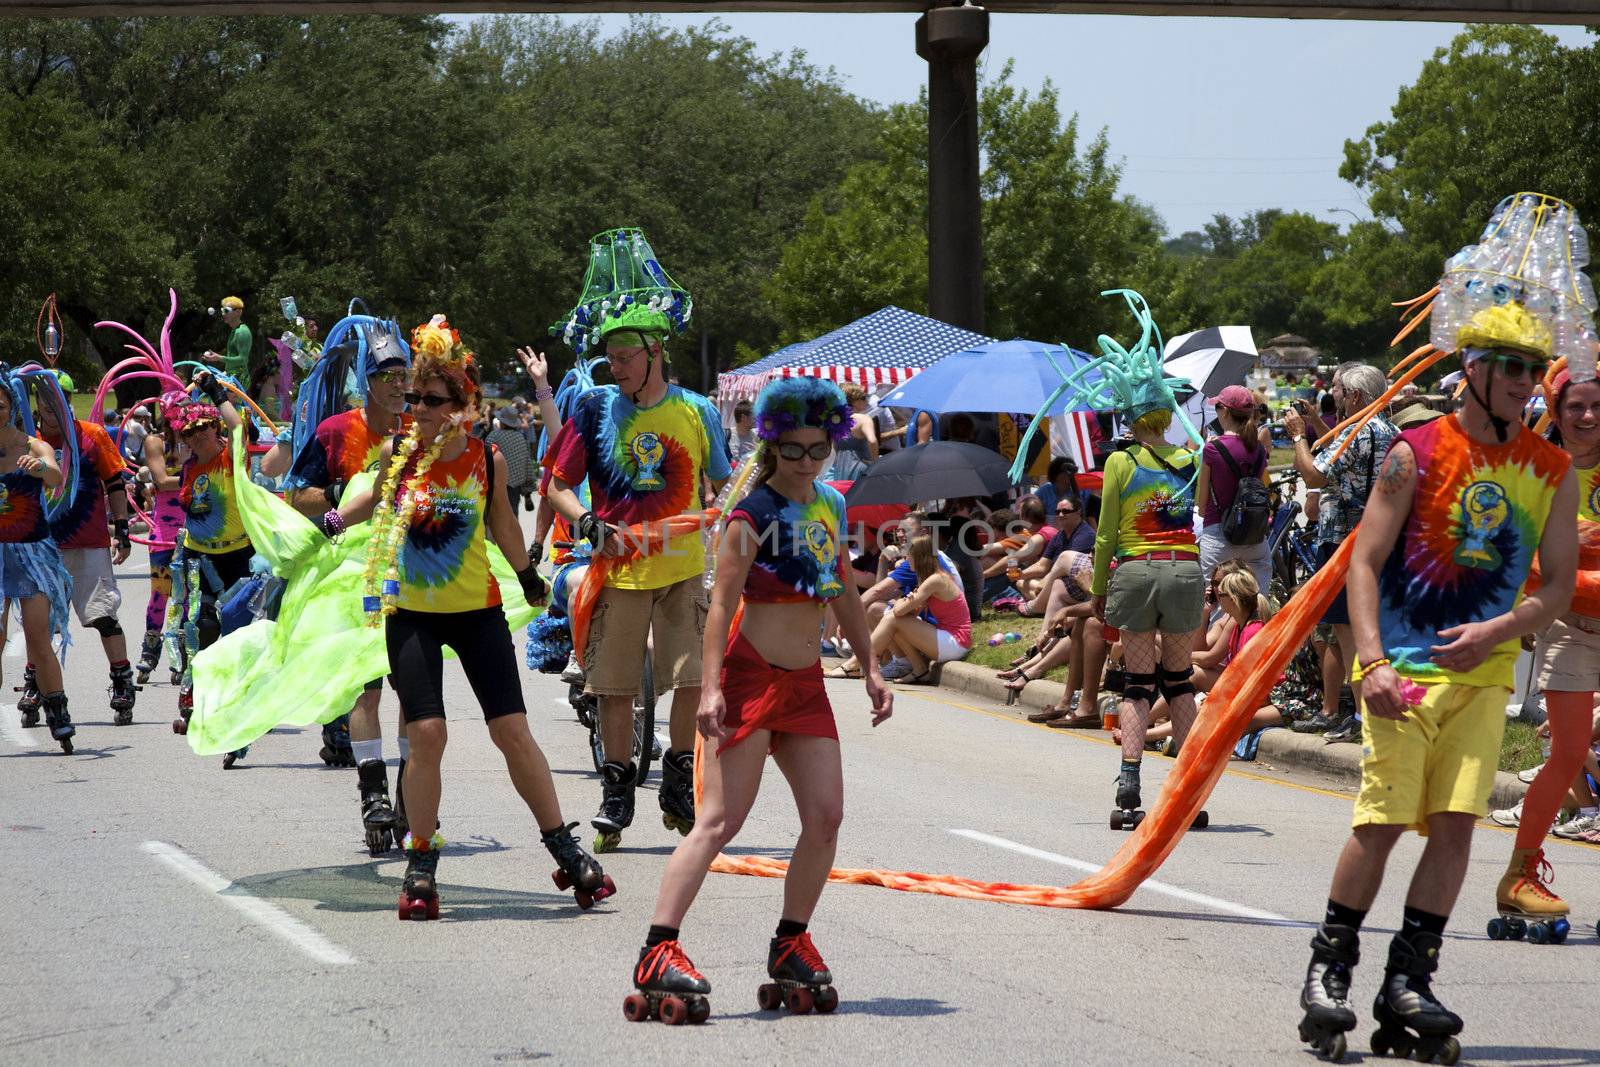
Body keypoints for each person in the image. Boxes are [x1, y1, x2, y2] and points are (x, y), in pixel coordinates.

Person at [1299, 301, 1576, 1060]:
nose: (1527, 383)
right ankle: (1330, 968)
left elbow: (1553, 588)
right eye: (1513, 367)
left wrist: (1501, 628)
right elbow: (1363, 561)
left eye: (1535, 369)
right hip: (1402, 671)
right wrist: (1373, 662)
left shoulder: (1551, 470)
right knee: (1382, 823)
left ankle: (1408, 980)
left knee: (1456, 826)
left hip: (1483, 677)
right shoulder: (1412, 452)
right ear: (1474, 369)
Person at [325, 315, 609, 918]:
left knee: (512, 732)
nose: (417, 406)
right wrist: (334, 521)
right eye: (413, 396)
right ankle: (421, 863)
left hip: (477, 611)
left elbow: (502, 522)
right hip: (415, 616)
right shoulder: (397, 454)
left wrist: (530, 576)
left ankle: (564, 846)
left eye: (430, 399)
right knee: (428, 732)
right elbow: (370, 495)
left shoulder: (486, 458)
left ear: (460, 404)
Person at [626, 376, 891, 1023]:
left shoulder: (830, 504)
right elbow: (719, 608)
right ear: (772, 446)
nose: (807, 460)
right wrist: (711, 685)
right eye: (794, 449)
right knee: (719, 821)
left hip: (805, 685)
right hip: (748, 676)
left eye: (818, 447)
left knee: (826, 817)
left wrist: (874, 666)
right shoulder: (752, 516)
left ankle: (790, 939)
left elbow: (846, 594)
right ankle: (658, 948)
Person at [544, 231, 730, 852]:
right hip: (617, 568)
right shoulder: (594, 409)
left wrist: (735, 520)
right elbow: (558, 487)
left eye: (624, 355)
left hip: (682, 568)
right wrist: (590, 523)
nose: (613, 366)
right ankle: (616, 793)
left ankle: (678, 777)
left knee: (686, 679)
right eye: (610, 356)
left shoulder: (698, 411)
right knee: (615, 688)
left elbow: (724, 487)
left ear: (655, 352)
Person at [286, 322, 413, 847]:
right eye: (387, 375)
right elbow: (298, 496)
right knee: (367, 682)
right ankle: (372, 791)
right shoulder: (337, 430)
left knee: (415, 686)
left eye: (404, 374)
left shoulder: (422, 426)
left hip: (416, 570)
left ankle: (410, 788)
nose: (399, 384)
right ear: (368, 378)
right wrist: (346, 492)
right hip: (353, 573)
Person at [1486, 361, 1598, 939]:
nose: (1586, 417)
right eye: (1575, 405)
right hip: (1569, 628)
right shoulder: (1539, 471)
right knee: (1569, 752)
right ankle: (1520, 874)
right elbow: (1524, 561)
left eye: (1597, 406)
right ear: (1555, 410)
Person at [1284, 363, 1397, 737]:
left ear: (1356, 397)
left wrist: (1298, 437)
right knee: (1370, 629)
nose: (1334, 395)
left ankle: (1364, 717)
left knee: (1348, 631)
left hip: (1343, 540)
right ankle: (1371, 713)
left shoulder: (1357, 431)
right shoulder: (1391, 431)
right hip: (1380, 538)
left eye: (1340, 391)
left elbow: (1315, 475)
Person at [30, 373, 138, 725]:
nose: (49, 404)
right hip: (41, 547)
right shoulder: (28, 441)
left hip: (89, 543)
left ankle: (122, 682)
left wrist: (122, 529)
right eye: (44, 397)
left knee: (103, 615)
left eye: (58, 397)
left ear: (67, 399)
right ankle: (35, 684)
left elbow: (114, 482)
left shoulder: (91, 435)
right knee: (40, 624)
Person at [168, 373, 255, 768]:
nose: (196, 438)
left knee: (237, 638)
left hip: (238, 558)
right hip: (200, 559)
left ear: (213, 428)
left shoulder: (230, 457)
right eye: (189, 434)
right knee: (201, 629)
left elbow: (238, 425)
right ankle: (196, 701)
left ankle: (238, 724)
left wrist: (218, 393)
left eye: (203, 430)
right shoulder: (189, 468)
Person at [0, 366, 75, 752]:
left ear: (11, 406)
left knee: (37, 638)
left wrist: (41, 467)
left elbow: (56, 475)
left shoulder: (32, 446)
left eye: (0, 403)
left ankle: (58, 712)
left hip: (32, 553)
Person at [861, 534, 971, 682]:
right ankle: (919, 670)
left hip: (955, 642)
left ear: (919, 557)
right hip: (949, 639)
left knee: (894, 618)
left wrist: (901, 602)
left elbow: (899, 610)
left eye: (909, 556)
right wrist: (905, 603)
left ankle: (861, 663)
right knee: (895, 619)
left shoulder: (936, 580)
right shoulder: (931, 578)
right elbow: (912, 611)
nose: (906, 560)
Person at [134, 400, 189, 687]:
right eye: (174, 411)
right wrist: (198, 478)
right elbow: (162, 480)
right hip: (165, 533)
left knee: (188, 597)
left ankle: (181, 652)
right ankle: (150, 651)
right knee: (160, 594)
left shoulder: (201, 439)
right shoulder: (155, 442)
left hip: (196, 530)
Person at [1196, 384, 1271, 592]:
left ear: (1225, 411)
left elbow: (1201, 505)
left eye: (1218, 407)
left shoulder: (1213, 448)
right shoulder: (1259, 449)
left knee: (1216, 610)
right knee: (1255, 606)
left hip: (1219, 537)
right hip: (1255, 537)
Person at [828, 383, 878, 481]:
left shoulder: (836, 420)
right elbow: (872, 441)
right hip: (861, 465)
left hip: (840, 468)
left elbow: (832, 448)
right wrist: (875, 463)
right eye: (863, 397)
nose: (866, 400)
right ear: (854, 401)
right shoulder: (864, 419)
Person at [203, 296, 253, 384]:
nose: (223, 314)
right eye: (222, 311)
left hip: (239, 378)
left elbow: (243, 359)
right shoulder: (234, 330)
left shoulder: (241, 332)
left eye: (226, 311)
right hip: (231, 375)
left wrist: (219, 358)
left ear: (238, 312)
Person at [726, 400, 759, 466]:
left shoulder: (757, 436)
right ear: (743, 417)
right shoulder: (727, 435)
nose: (756, 419)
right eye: (754, 416)